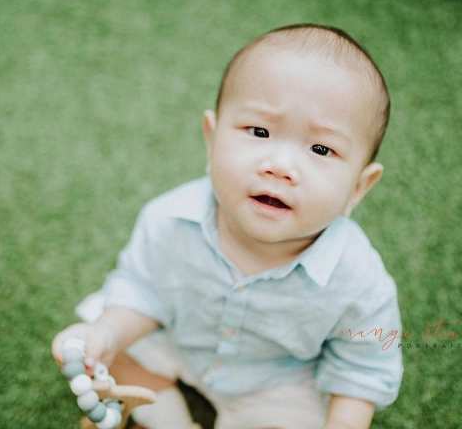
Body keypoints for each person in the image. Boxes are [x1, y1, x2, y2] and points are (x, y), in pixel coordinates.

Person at [52, 23, 403, 429]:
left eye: (321, 149)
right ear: (211, 137)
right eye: (259, 131)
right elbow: (142, 291)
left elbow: (362, 368)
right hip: (180, 341)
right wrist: (108, 336)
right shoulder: (168, 218)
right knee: (104, 338)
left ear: (359, 186)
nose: (280, 167)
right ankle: (171, 422)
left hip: (275, 384)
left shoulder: (359, 280)